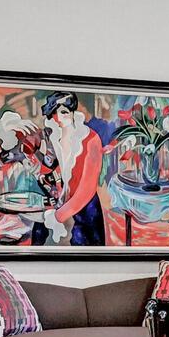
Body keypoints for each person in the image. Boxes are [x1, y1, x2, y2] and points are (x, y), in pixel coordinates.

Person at [40, 91, 108, 246]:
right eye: (54, 113)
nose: (58, 118)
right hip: (55, 203)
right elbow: (47, 169)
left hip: (83, 211)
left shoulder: (91, 140)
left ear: (72, 112)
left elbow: (87, 189)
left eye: (64, 112)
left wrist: (58, 216)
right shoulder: (51, 136)